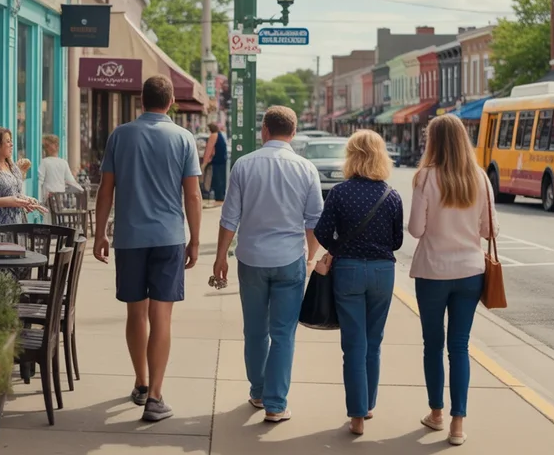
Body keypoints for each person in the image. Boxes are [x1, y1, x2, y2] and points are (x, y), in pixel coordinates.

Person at [93, 75, 203, 423]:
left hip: (129, 237)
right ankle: (155, 396)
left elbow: (105, 189)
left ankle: (140, 382)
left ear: (142, 101)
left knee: (135, 313)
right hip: (169, 236)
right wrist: (195, 239)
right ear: (170, 102)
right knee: (162, 317)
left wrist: (99, 234)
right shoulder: (184, 138)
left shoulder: (120, 136)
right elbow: (193, 195)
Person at [212, 105, 323, 423]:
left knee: (255, 330)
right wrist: (310, 256)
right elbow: (314, 221)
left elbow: (229, 216)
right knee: (284, 333)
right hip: (290, 259)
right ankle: (276, 403)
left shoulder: (244, 166)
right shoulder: (306, 168)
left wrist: (221, 256)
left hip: (251, 258)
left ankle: (258, 391)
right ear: (294, 132)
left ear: (264, 130)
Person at [408, 114, 498, 446]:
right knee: (459, 346)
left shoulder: (425, 178)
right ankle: (458, 424)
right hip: (470, 272)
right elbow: (490, 230)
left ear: (433, 141)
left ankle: (436, 413)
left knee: (433, 344)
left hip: (432, 271)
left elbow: (416, 230)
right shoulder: (480, 178)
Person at [313, 129, 403, 436]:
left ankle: (357, 416)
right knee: (373, 343)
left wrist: (339, 249)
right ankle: (368, 404)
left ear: (351, 156)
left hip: (348, 271)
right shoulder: (391, 195)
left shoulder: (339, 193)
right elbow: (397, 240)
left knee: (353, 344)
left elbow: (322, 231)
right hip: (382, 273)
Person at [0, 126, 44, 227]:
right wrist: (10, 201)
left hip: (17, 225)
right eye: (8, 141)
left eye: (11, 141)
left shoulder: (11, 166)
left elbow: (14, 193)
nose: (12, 144)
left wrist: (25, 200)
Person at [39, 134, 83, 201]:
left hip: (47, 199)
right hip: (60, 199)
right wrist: (81, 190)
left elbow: (39, 181)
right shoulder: (63, 162)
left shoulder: (44, 162)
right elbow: (71, 181)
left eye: (44, 146)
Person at [202, 123, 228, 205]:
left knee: (216, 180)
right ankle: (221, 197)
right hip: (222, 161)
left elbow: (209, 150)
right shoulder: (220, 135)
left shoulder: (213, 136)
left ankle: (218, 198)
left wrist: (204, 164)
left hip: (217, 162)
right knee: (221, 179)